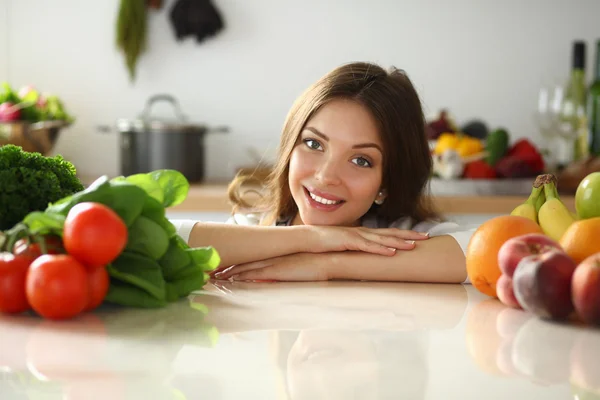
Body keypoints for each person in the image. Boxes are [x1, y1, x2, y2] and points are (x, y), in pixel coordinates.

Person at [170, 62, 476, 284]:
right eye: (314, 143)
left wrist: (327, 263)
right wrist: (312, 238)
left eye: (361, 160)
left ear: (387, 182)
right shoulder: (252, 225)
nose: (327, 176)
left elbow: (480, 253)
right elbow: (169, 240)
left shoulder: (401, 233)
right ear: (290, 147)